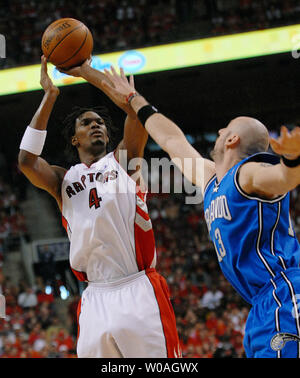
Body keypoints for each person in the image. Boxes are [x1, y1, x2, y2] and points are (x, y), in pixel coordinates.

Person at [90, 64, 300, 358]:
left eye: (225, 128)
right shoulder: (213, 179)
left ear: (232, 140)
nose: (218, 130)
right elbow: (172, 141)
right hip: (261, 304)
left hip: (285, 294)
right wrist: (132, 99)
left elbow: (283, 179)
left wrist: (292, 160)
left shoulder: (249, 173)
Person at [18, 57, 181, 358]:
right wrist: (49, 97)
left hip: (138, 288)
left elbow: (134, 112)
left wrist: (84, 71)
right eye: (87, 123)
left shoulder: (123, 160)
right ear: (74, 138)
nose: (96, 125)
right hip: (94, 299)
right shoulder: (62, 180)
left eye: (100, 123)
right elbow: (26, 161)